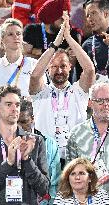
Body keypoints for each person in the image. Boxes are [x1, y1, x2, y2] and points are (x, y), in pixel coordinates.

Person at [29, 11, 95, 165]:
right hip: (45, 157)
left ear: (70, 67)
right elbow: (34, 76)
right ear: (48, 68)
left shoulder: (79, 91)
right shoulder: (41, 92)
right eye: (54, 66)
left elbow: (90, 70)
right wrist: (56, 43)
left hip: (74, 157)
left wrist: (69, 38)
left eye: (63, 66)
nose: (59, 70)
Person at [0, 85, 49, 205]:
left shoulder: (36, 141)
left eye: (17, 105)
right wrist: (8, 163)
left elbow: (44, 189)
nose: (14, 109)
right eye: (9, 104)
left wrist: (27, 160)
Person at [66, 82, 109, 202]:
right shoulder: (76, 134)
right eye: (100, 101)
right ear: (90, 103)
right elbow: (69, 175)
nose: (106, 105)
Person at [18, 99, 61, 204]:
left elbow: (54, 184)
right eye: (15, 122)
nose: (19, 127)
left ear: (32, 119)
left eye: (23, 122)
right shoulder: (4, 142)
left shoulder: (49, 144)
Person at [0, 18, 37, 97]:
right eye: (10, 34)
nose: (15, 37)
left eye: (18, 33)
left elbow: (41, 94)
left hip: (28, 108)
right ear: (2, 39)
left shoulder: (34, 64)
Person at [82, 0, 109, 84]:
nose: (90, 19)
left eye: (93, 13)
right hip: (97, 94)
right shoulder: (86, 45)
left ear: (106, 14)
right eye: (88, 15)